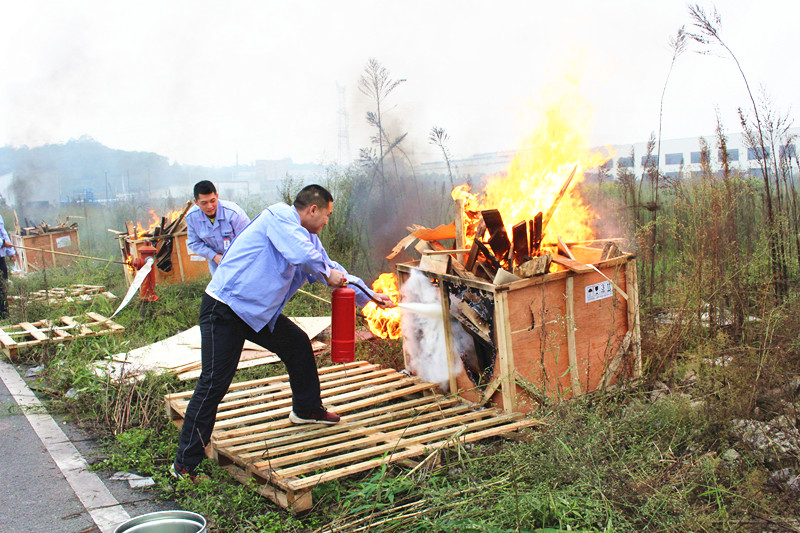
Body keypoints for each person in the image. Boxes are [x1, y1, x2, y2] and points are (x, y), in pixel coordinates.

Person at [172, 184, 395, 481]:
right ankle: (184, 465)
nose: (328, 221)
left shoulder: (309, 240)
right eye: (327, 215)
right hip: (225, 308)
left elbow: (330, 267)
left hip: (258, 314)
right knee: (214, 382)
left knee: (298, 345)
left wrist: (370, 295)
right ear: (312, 210)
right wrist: (327, 273)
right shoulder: (279, 217)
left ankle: (306, 409)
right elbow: (303, 257)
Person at [185, 180, 251, 274]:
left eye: (213, 201)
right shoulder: (192, 217)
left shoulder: (233, 213)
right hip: (217, 265)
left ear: (217, 196)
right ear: (196, 202)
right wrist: (214, 256)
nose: (209, 206)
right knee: (220, 288)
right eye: (204, 203)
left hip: (241, 262)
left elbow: (248, 239)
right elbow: (194, 243)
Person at [0, 217, 16, 318]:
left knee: (2, 286)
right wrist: (2, 243)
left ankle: (3, 313)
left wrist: (10, 252)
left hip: (0, 257)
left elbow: (3, 233)